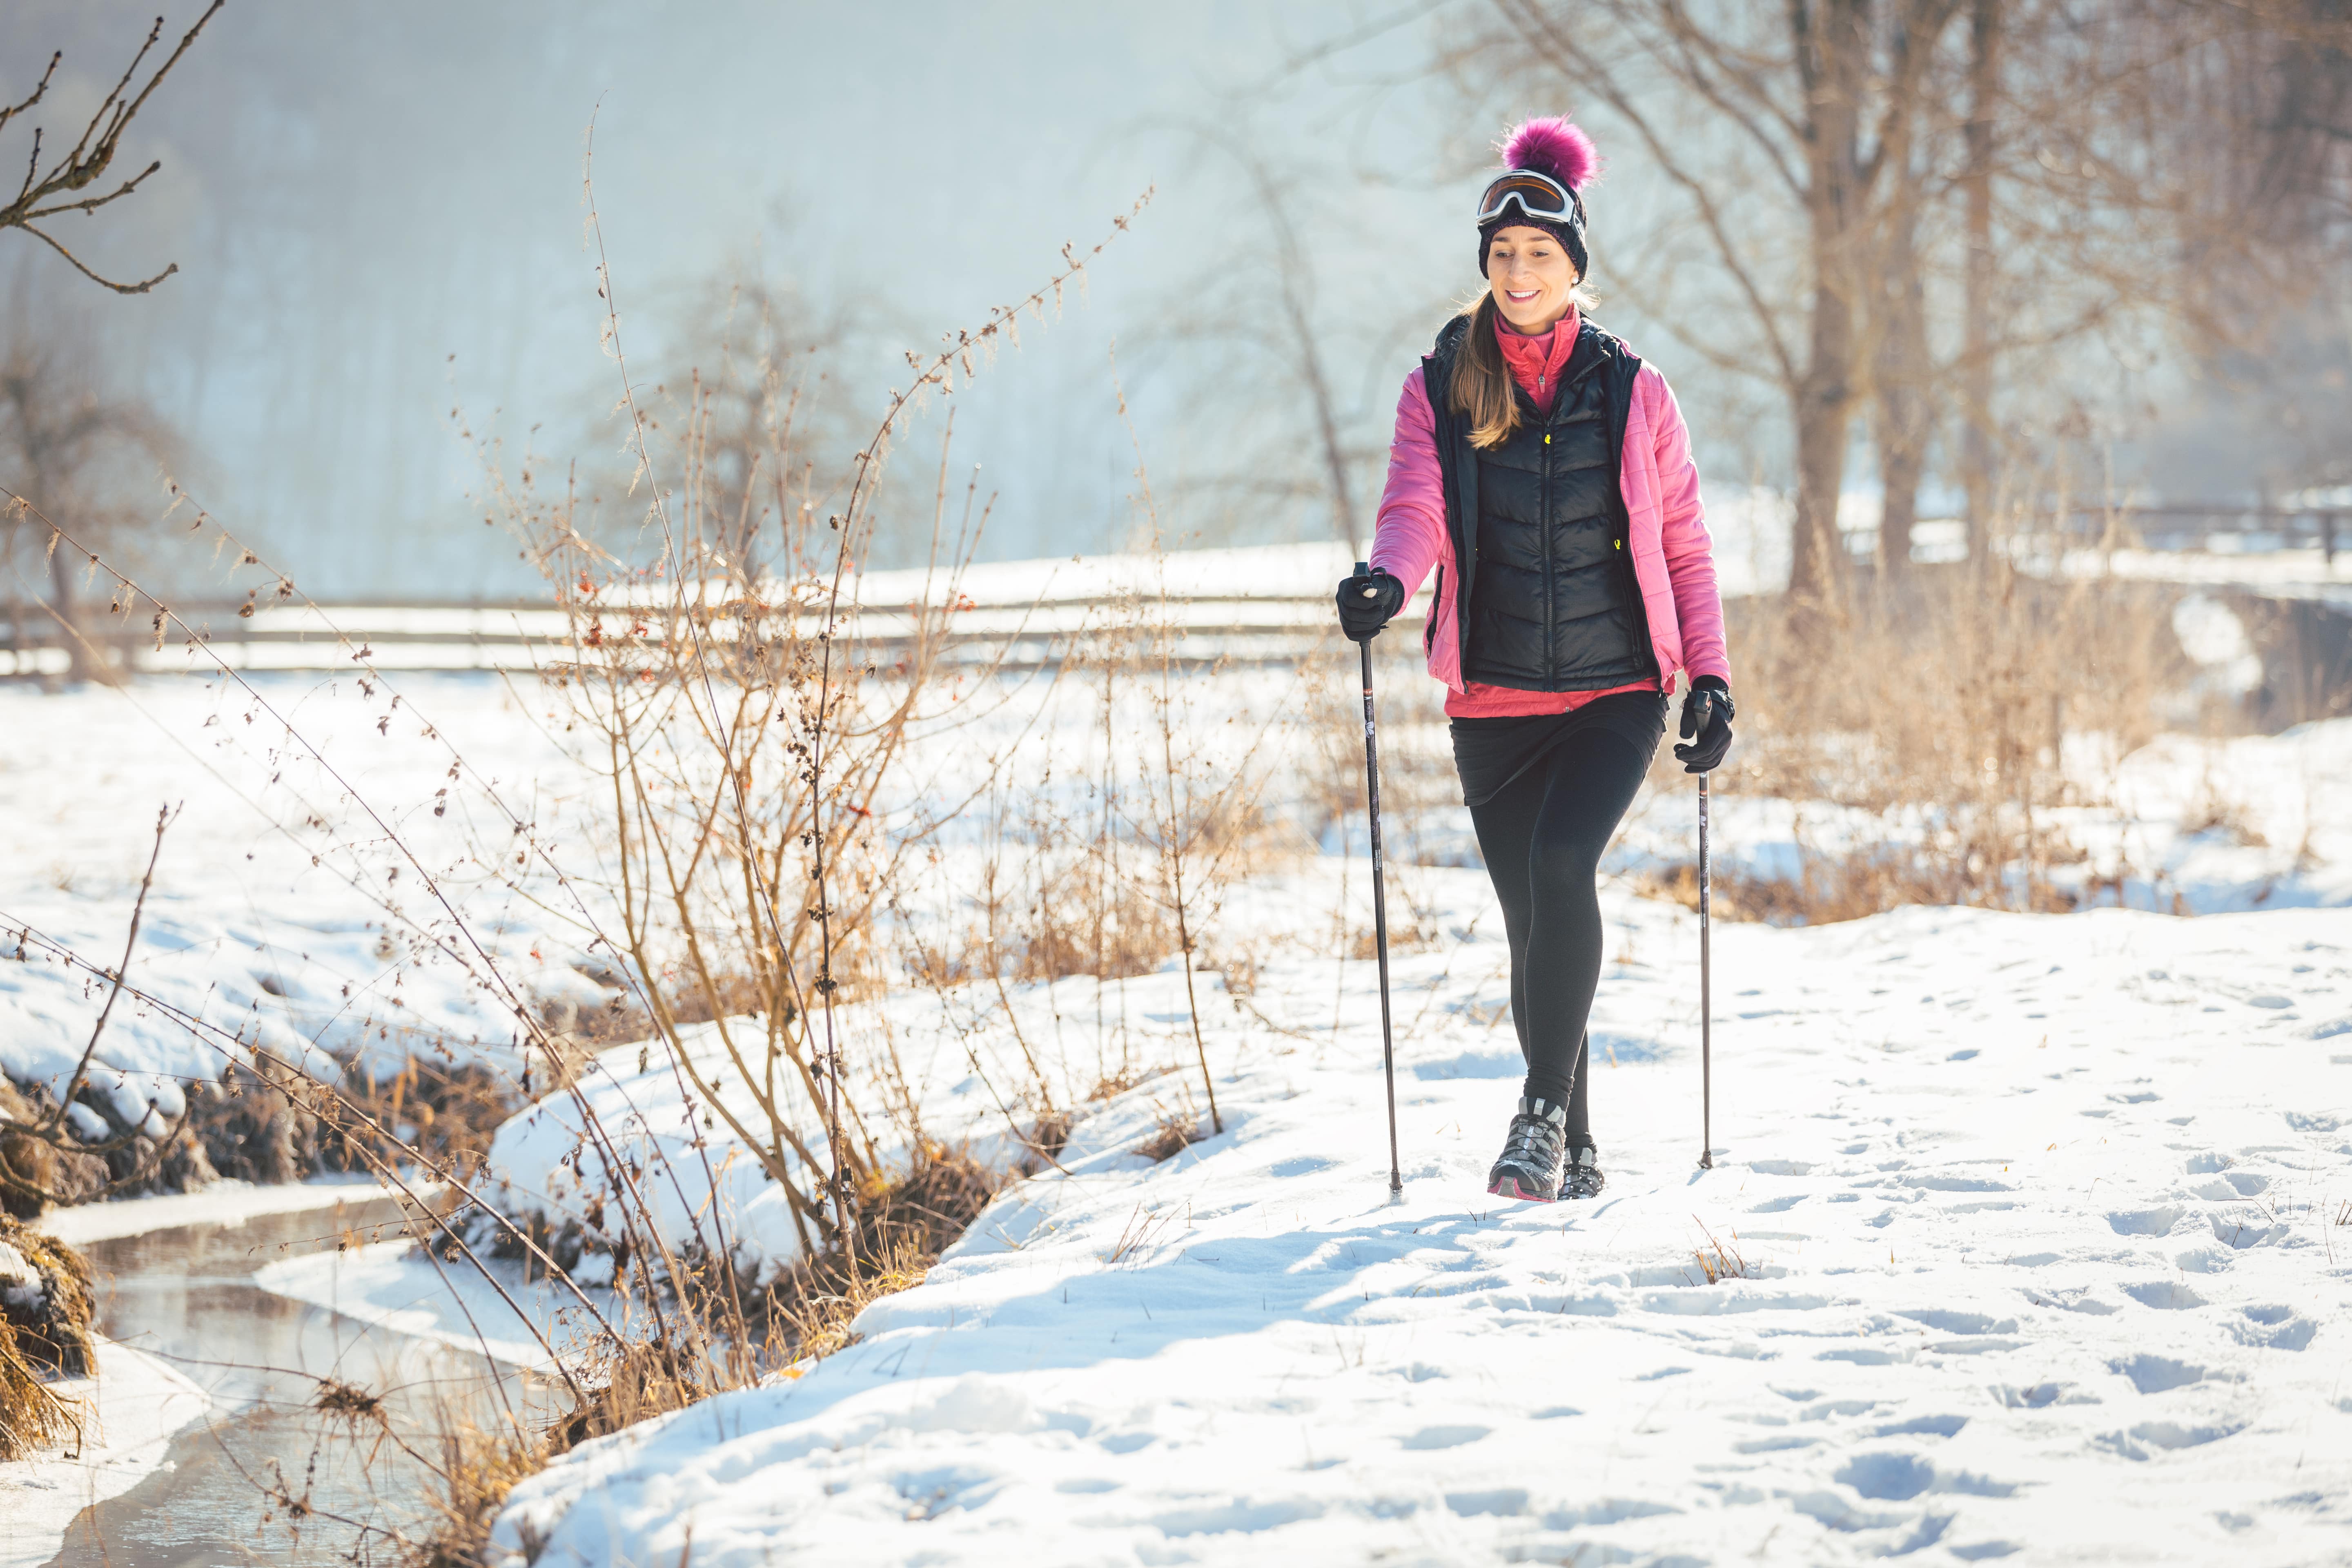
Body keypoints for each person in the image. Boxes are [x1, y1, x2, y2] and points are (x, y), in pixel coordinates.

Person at [1336, 116, 1734, 1203]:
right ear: (1486, 264)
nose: (1519, 273)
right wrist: (1388, 578)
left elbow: (1687, 545)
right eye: (1503, 255)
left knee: (1564, 869)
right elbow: (1414, 506)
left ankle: (1539, 1118)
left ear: (1575, 268)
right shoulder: (1442, 383)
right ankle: (1583, 1148)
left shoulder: (1632, 387)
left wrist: (1712, 678)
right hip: (1494, 693)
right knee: (1530, 924)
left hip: (1617, 688)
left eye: (1540, 256)